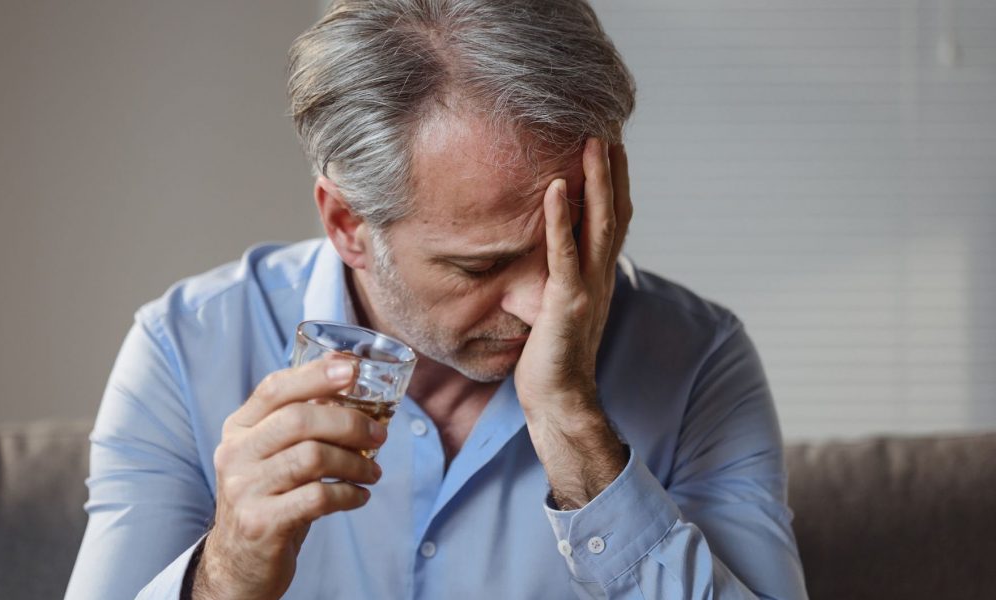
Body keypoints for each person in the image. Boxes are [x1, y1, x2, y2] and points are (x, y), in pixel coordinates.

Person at [64, 1, 808, 598]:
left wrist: (575, 429)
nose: (544, 302)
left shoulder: (699, 360)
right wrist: (226, 575)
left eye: (571, 238)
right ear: (347, 224)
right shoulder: (185, 350)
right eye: (479, 266)